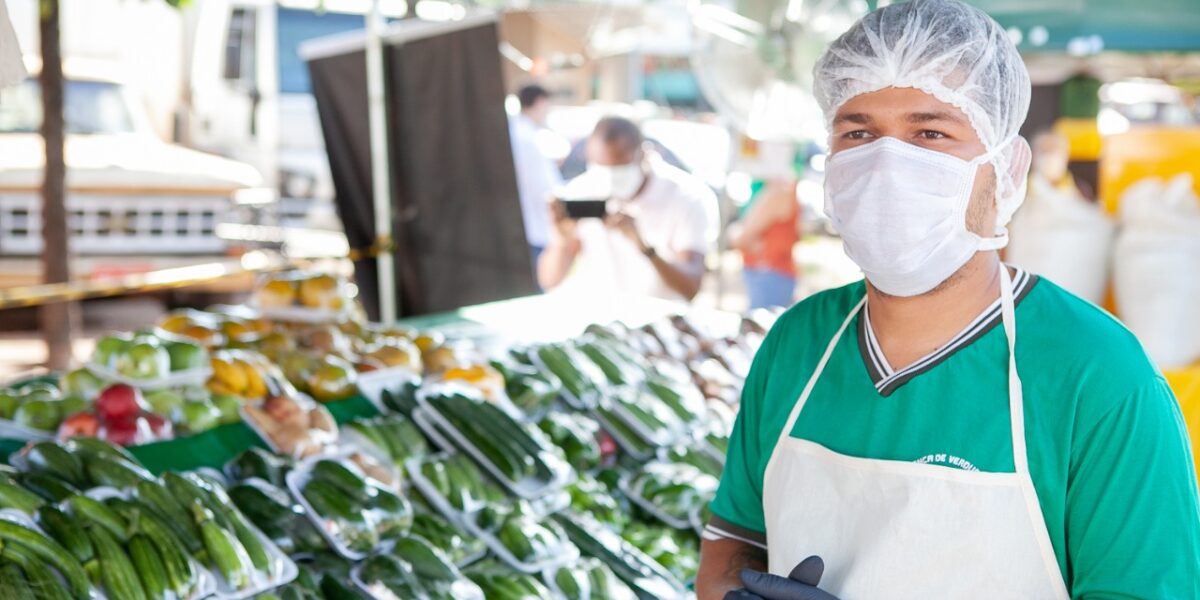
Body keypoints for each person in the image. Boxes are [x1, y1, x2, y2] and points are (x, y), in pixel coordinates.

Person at [697, 1, 1200, 599]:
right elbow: (730, 546)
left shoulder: (1098, 375)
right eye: (857, 132)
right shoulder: (797, 343)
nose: (887, 163)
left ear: (1005, 170)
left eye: (930, 132)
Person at [538, 117, 714, 301]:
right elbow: (549, 280)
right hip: (602, 316)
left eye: (619, 167)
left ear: (643, 154)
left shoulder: (687, 196)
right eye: (601, 167)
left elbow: (691, 286)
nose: (609, 176)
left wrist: (644, 247)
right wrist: (561, 240)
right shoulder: (581, 190)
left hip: (659, 321)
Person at [730, 141, 802, 309]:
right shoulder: (779, 188)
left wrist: (734, 231)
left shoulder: (778, 191)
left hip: (769, 274)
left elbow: (741, 238)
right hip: (770, 274)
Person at [509, 84, 563, 273]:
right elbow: (544, 187)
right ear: (540, 102)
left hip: (530, 224)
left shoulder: (522, 133)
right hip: (534, 226)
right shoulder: (525, 138)